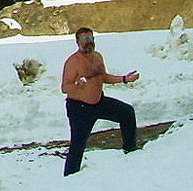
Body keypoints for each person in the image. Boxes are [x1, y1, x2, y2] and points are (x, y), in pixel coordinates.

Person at [60, 27, 140, 176]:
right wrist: (77, 85)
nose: (88, 42)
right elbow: (64, 88)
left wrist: (124, 79)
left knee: (127, 112)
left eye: (90, 39)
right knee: (78, 145)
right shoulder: (72, 62)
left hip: (99, 102)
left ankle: (131, 150)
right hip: (80, 108)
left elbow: (103, 77)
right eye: (84, 39)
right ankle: (70, 178)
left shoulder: (97, 57)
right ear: (77, 42)